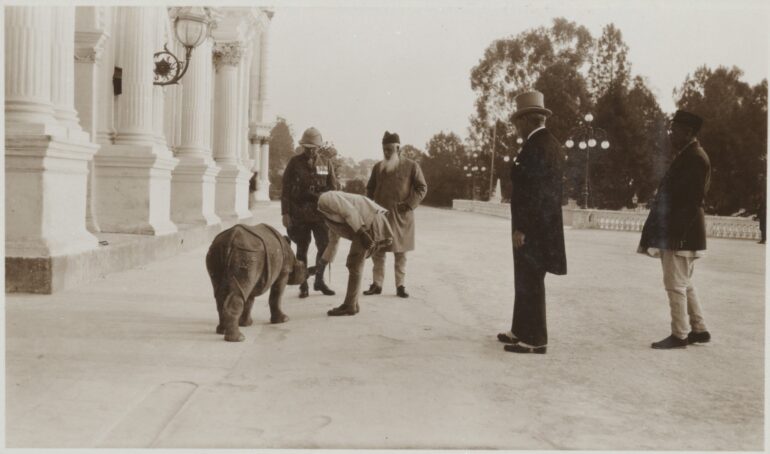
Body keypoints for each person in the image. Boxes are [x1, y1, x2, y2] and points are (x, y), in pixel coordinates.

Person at [497, 90, 567, 355]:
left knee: (531, 280)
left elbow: (536, 194)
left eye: (518, 121)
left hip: (533, 227)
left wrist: (523, 228)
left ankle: (536, 339)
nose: (517, 126)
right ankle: (520, 329)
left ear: (528, 120)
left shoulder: (537, 147)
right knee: (525, 278)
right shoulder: (548, 144)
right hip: (541, 225)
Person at [638, 110, 712, 349]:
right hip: (685, 232)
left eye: (675, 130)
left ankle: (680, 334)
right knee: (685, 282)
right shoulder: (691, 155)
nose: (671, 134)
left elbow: (691, 202)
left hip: (681, 234)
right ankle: (699, 330)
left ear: (688, 132)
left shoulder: (694, 158)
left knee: (675, 284)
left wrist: (674, 237)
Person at [363, 131, 428, 298]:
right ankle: (377, 284)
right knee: (378, 252)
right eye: (384, 149)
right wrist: (369, 207)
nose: (386, 152)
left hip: (402, 217)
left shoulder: (412, 166)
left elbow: (422, 188)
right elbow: (370, 189)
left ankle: (400, 286)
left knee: (401, 253)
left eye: (390, 149)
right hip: (380, 217)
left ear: (398, 148)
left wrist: (409, 205)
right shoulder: (378, 167)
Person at [281, 127, 338, 298]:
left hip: (320, 214)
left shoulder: (326, 163)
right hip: (299, 213)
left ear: (319, 147)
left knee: (324, 246)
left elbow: (333, 187)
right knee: (301, 249)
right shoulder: (294, 163)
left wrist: (326, 201)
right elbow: (285, 190)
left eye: (313, 147)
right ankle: (303, 283)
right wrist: (285, 214)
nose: (310, 150)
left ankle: (319, 280)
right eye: (307, 147)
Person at [316, 191, 394, 316]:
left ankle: (350, 305)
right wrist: (320, 268)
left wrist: (363, 234)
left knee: (355, 263)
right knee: (355, 264)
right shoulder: (326, 215)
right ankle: (353, 304)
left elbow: (350, 211)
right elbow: (333, 243)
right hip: (369, 223)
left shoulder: (325, 198)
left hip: (370, 222)